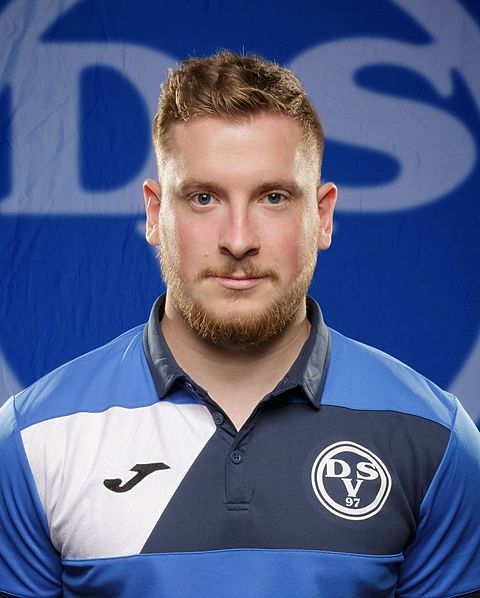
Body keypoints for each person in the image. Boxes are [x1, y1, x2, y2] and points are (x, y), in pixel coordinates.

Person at [0, 51, 479, 598]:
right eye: (203, 198)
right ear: (155, 213)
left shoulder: (435, 438)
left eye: (273, 198)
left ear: (322, 216)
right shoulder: (33, 440)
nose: (238, 239)